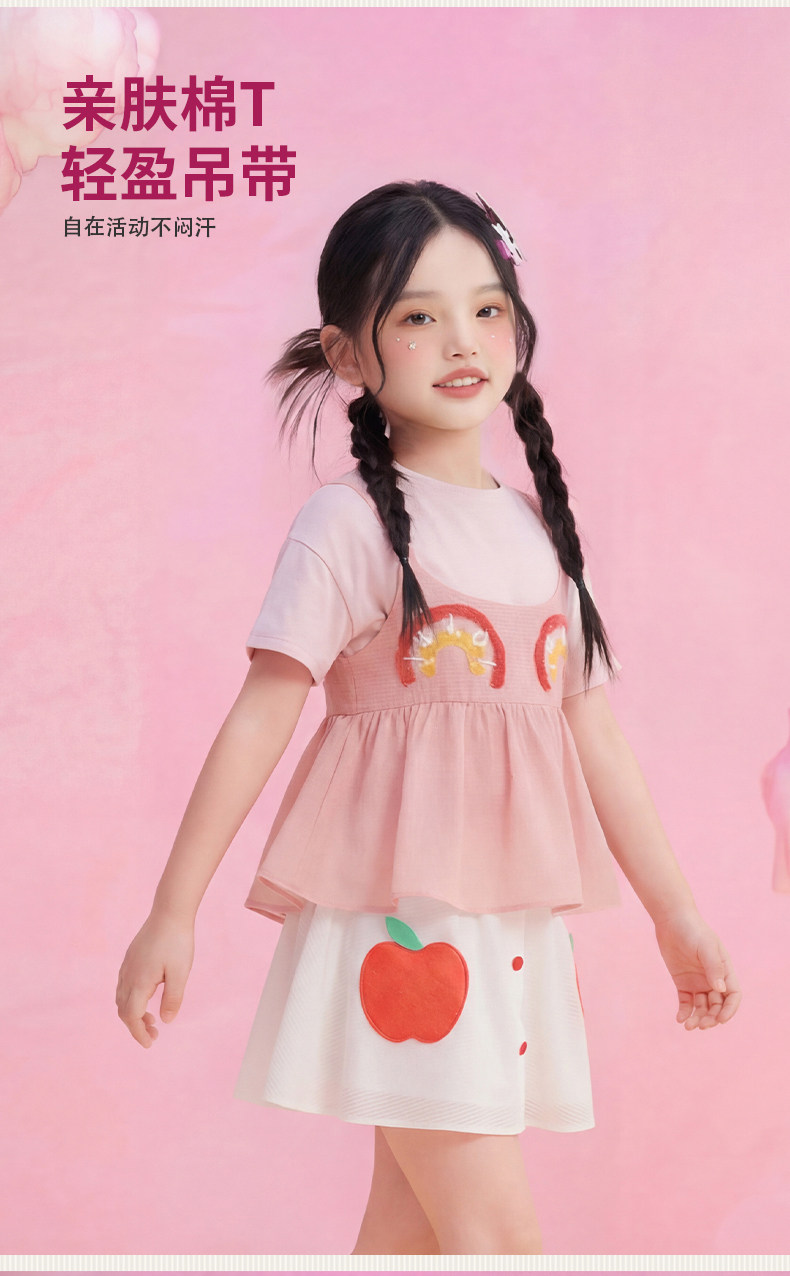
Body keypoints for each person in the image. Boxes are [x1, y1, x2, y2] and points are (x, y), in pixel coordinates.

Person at [115, 180, 741, 1257]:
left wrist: (673, 915)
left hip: (503, 930)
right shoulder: (348, 527)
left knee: (410, 1236)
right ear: (348, 353)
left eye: (487, 308)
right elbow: (260, 719)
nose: (462, 339)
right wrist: (172, 913)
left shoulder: (544, 535)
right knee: (495, 1238)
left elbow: (596, 738)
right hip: (401, 932)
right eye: (417, 315)